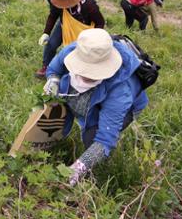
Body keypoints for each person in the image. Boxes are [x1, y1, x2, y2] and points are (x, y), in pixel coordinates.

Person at [43, 28, 149, 186]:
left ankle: (93, 176)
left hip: (124, 107)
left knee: (91, 140)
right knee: (58, 114)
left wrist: (79, 166)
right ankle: (54, 141)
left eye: (91, 73)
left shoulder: (120, 90)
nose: (85, 75)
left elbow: (104, 140)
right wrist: (53, 80)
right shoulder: (75, 49)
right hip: (80, 96)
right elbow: (54, 69)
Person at [36, 0, 105, 78]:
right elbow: (53, 16)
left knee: (81, 51)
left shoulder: (88, 5)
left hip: (85, 29)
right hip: (65, 24)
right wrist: (46, 33)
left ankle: (82, 70)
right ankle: (46, 66)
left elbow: (100, 22)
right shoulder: (57, 2)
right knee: (51, 44)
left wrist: (93, 37)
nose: (64, 5)